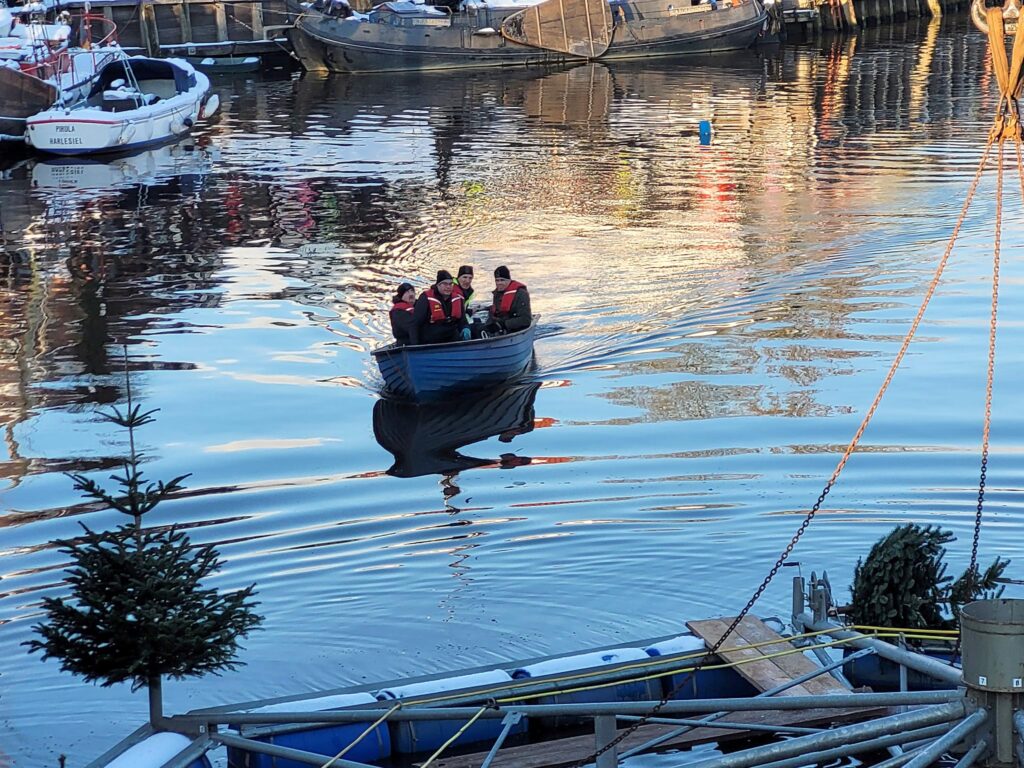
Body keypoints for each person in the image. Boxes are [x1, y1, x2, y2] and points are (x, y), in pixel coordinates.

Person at [410, 269, 470, 345]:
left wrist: (466, 328)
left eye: (450, 284)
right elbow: (415, 324)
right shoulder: (426, 298)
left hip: (452, 338)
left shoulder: (457, 298)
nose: (448, 287)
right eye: (445, 284)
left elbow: (463, 321)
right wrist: (415, 345)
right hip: (431, 341)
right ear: (438, 285)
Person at [487, 265, 531, 335]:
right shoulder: (497, 293)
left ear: (509, 280)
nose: (499, 283)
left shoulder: (521, 294)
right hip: (500, 328)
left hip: (514, 328)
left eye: (502, 280)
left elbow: (525, 320)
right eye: (497, 280)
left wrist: (503, 324)